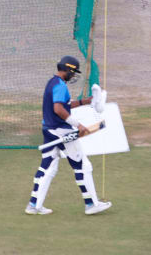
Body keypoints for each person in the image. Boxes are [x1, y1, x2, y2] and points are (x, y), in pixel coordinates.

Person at [26, 56, 111, 216]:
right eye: (73, 72)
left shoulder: (53, 83)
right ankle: (91, 204)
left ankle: (33, 205)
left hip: (49, 130)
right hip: (62, 131)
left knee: (48, 167)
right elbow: (58, 109)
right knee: (82, 166)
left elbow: (65, 104)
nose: (73, 76)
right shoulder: (60, 86)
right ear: (67, 70)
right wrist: (77, 125)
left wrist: (84, 102)